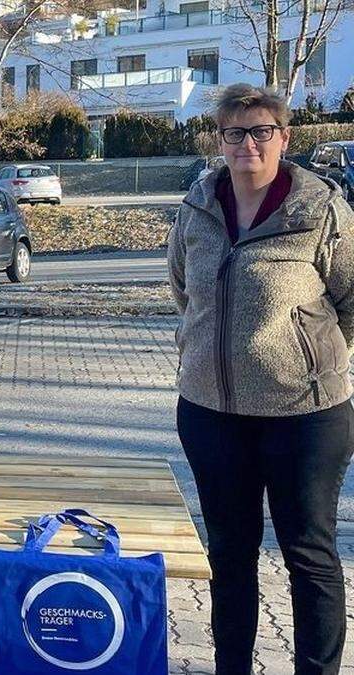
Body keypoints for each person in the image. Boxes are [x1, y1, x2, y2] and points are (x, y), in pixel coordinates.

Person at [168, 83, 354, 674]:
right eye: (234, 132)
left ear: (283, 138)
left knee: (308, 555)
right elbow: (183, 291)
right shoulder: (195, 209)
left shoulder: (320, 209)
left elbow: (352, 298)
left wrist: (308, 357)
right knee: (230, 553)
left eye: (260, 131)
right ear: (219, 141)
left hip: (304, 416)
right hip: (211, 413)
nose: (247, 143)